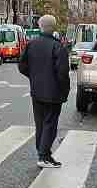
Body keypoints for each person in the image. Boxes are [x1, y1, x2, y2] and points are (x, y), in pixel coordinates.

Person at [18, 15, 70, 168]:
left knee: (40, 124)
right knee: (50, 124)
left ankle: (42, 152)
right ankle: (44, 156)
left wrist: (34, 77)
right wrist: (64, 90)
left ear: (40, 26)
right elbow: (62, 73)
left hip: (36, 91)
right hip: (54, 93)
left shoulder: (31, 44)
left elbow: (22, 66)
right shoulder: (58, 46)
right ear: (54, 28)